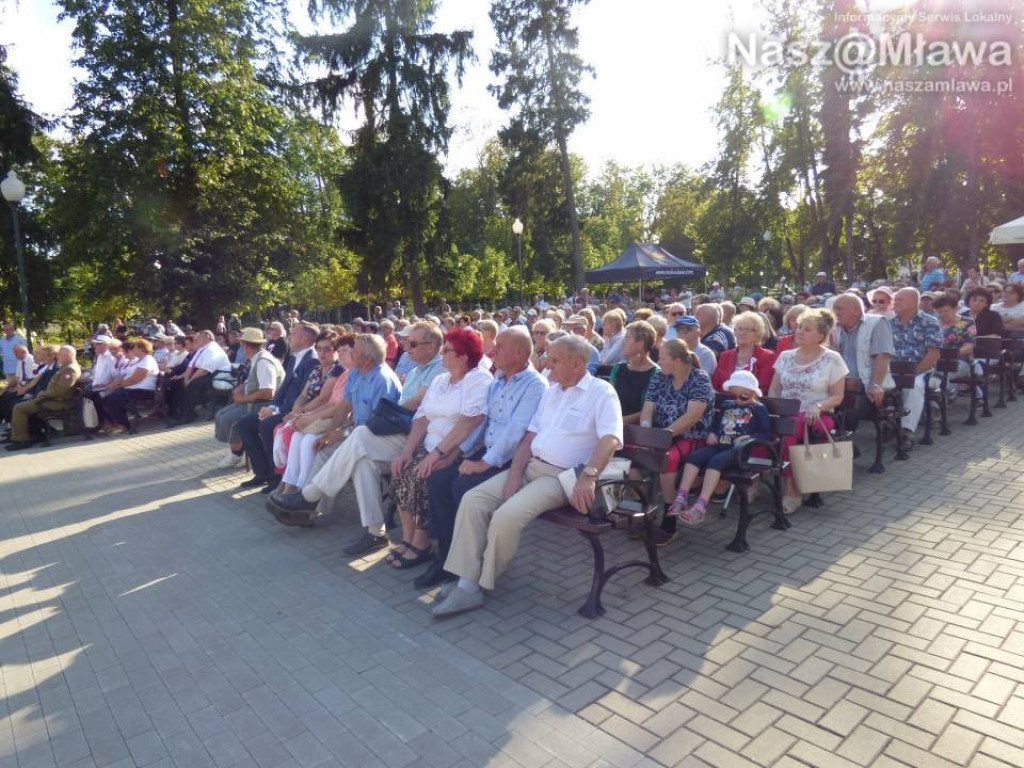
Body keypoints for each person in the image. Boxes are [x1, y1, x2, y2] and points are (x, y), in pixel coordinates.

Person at [433, 335, 623, 617]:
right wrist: (514, 474)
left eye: (555, 360)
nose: (548, 364)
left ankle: (475, 586)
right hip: (531, 466)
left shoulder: (601, 392)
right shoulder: (553, 391)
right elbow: (528, 439)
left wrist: (589, 475)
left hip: (560, 477)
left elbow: (609, 439)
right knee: (473, 499)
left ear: (578, 363)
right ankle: (465, 580)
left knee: (506, 516)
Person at [267, 322, 443, 554]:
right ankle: (372, 532)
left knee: (357, 437)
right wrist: (334, 432)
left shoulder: (408, 376)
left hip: (404, 439)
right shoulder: (396, 372)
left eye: (411, 343)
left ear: (431, 346)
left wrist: (345, 432)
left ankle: (308, 496)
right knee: (347, 457)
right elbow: (344, 407)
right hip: (376, 437)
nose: (406, 347)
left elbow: (396, 415)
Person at [419, 327, 547, 589]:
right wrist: (455, 454)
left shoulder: (535, 385)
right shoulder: (498, 379)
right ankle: (445, 557)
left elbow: (516, 432)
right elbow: (480, 424)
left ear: (520, 353)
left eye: (499, 347)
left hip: (510, 459)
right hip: (485, 451)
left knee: (462, 487)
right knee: (440, 478)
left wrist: (484, 463)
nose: (492, 351)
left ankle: (466, 561)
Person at [387, 329, 493, 569]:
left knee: (420, 475)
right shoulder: (440, 380)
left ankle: (421, 544)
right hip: (429, 446)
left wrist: (437, 454)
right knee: (401, 471)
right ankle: (408, 538)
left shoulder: (478, 379)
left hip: (456, 451)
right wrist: (406, 451)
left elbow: (471, 421)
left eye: (447, 350)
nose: (442, 354)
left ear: (464, 356)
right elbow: (422, 419)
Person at [768, 308, 849, 513]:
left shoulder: (832, 359)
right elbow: (775, 388)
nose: (800, 331)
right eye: (800, 327)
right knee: (762, 424)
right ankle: (750, 482)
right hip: (788, 412)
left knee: (789, 428)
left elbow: (838, 396)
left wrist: (819, 406)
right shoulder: (785, 356)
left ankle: (791, 488)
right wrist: (773, 409)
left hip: (819, 415)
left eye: (807, 329)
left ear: (821, 336)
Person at [668, 370, 772, 525]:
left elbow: (765, 433)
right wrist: (712, 433)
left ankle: (701, 505)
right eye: (733, 395)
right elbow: (716, 425)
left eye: (743, 396)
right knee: (694, 457)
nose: (737, 400)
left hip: (739, 452)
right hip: (720, 445)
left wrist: (750, 437)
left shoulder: (758, 408)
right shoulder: (726, 405)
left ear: (752, 393)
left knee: (715, 462)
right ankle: (681, 497)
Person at [639, 339, 715, 545]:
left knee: (667, 458)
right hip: (662, 434)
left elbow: (692, 417)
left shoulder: (699, 379)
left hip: (692, 436)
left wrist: (664, 435)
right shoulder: (659, 376)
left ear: (678, 361)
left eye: (663, 358)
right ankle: (640, 510)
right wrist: (646, 432)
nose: (659, 362)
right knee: (631, 454)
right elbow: (648, 407)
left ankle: (669, 516)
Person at [235, 322, 320, 492]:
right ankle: (262, 472)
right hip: (281, 407)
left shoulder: (312, 361)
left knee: (266, 425)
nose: (289, 336)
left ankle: (277, 477)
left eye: (293, 333)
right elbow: (283, 389)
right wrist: (273, 406)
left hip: (295, 411)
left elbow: (303, 396)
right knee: (244, 424)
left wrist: (277, 410)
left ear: (304, 338)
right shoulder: (295, 358)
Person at [275, 334, 355, 492]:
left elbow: (328, 402)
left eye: (328, 349)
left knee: (307, 441)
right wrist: (298, 412)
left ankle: (302, 489)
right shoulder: (325, 370)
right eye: (318, 349)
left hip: (341, 423)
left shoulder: (339, 371)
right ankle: (288, 483)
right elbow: (304, 395)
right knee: (295, 435)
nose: (322, 353)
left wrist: (306, 416)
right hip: (327, 417)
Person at [214, 328, 285, 468]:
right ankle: (239, 449)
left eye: (242, 344)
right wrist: (243, 387)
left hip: (263, 405)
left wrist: (243, 398)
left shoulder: (264, 362)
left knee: (229, 419)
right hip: (255, 401)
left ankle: (237, 454)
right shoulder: (257, 358)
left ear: (245, 346)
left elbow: (268, 392)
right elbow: (256, 380)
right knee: (220, 414)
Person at [831, 294, 895, 431]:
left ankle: (845, 444)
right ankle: (838, 442)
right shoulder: (835, 328)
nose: (835, 312)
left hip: (868, 388)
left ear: (854, 310)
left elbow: (882, 356)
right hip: (841, 387)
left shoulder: (877, 323)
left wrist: (875, 385)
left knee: (846, 410)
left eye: (839, 308)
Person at [891, 288, 942, 442]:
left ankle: (906, 431)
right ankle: (888, 423)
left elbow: (933, 354)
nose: (896, 302)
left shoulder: (929, 322)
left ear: (914, 301)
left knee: (914, 386)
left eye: (900, 299)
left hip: (920, 370)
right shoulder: (888, 323)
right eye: (896, 299)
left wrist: (913, 372)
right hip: (892, 370)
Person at [6, 346, 81, 451]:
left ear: (68, 356)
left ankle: (21, 440)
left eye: (60, 354)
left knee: (19, 408)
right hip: (51, 399)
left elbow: (59, 391)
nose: (57, 356)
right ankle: (28, 435)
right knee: (19, 404)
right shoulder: (66, 367)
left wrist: (41, 394)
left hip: (57, 402)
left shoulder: (70, 369)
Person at [168, 330, 232, 424]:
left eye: (198, 339)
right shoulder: (202, 349)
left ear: (206, 337)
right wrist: (185, 378)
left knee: (193, 385)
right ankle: (177, 413)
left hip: (218, 377)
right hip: (207, 375)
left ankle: (188, 416)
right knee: (177, 383)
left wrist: (190, 380)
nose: (195, 340)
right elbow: (191, 366)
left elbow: (205, 369)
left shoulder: (212, 349)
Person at [101, 338, 160, 434]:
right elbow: (131, 378)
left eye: (135, 348)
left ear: (141, 349)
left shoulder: (148, 360)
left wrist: (120, 385)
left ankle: (124, 425)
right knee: (107, 399)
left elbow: (136, 378)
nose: (133, 350)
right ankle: (120, 424)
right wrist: (119, 385)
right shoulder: (140, 360)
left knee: (113, 399)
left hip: (144, 391)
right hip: (134, 389)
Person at [711, 312, 775, 395]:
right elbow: (716, 385)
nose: (742, 333)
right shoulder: (725, 356)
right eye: (739, 329)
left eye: (747, 330)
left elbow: (764, 388)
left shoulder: (767, 357)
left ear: (757, 333)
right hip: (724, 403)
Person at [609, 321, 660, 423]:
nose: (623, 342)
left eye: (627, 338)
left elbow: (651, 410)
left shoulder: (657, 374)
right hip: (613, 424)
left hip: (638, 431)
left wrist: (621, 422)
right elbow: (609, 401)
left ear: (640, 344)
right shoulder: (618, 368)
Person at [1, 321, 28, 389]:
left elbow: (27, 353)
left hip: (19, 368)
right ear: (3, 331)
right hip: (8, 369)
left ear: (14, 330)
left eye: (11, 329)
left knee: (20, 387)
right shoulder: (1, 341)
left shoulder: (20, 340)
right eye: (6, 329)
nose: (9, 331)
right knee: (11, 389)